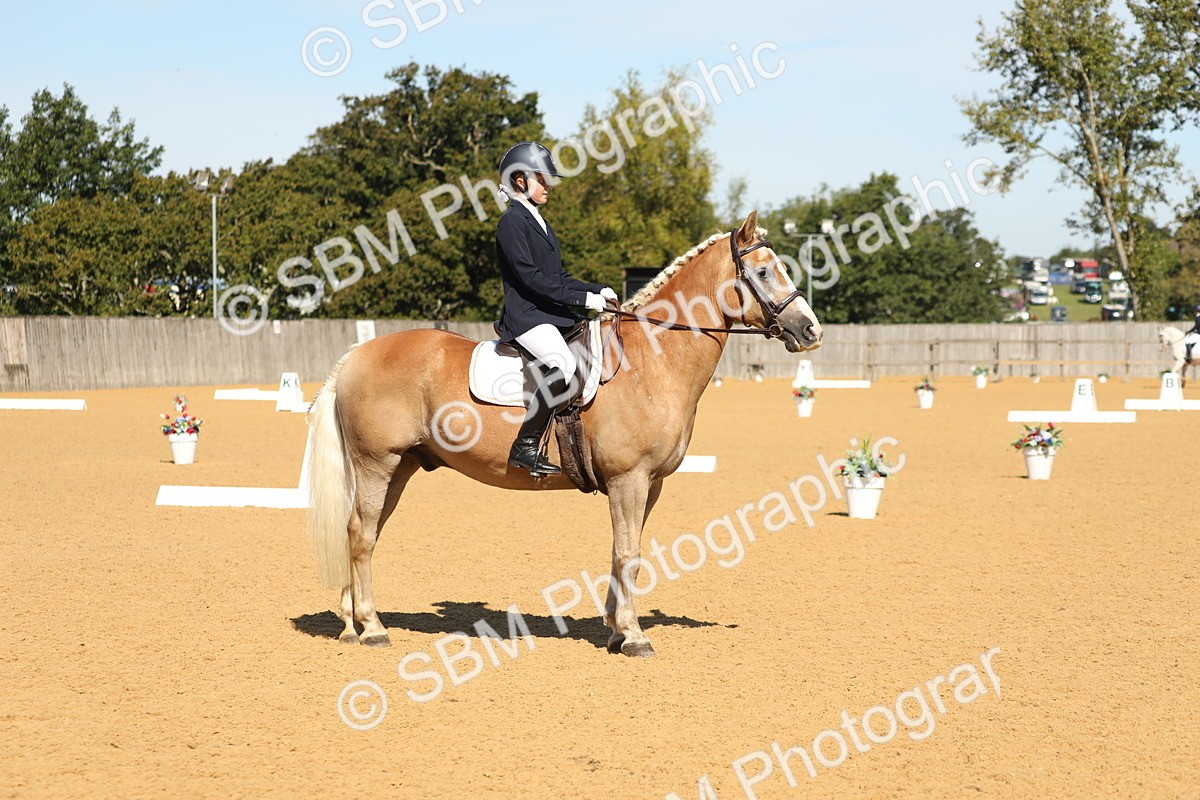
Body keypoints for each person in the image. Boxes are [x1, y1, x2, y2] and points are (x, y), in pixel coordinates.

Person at [494, 141, 618, 476]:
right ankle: (525, 446)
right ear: (520, 180)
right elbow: (531, 279)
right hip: (528, 317)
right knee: (562, 365)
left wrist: (596, 290)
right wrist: (584, 301)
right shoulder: (511, 223)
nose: (549, 185)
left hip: (547, 313)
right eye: (542, 178)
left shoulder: (540, 223)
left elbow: (558, 277)